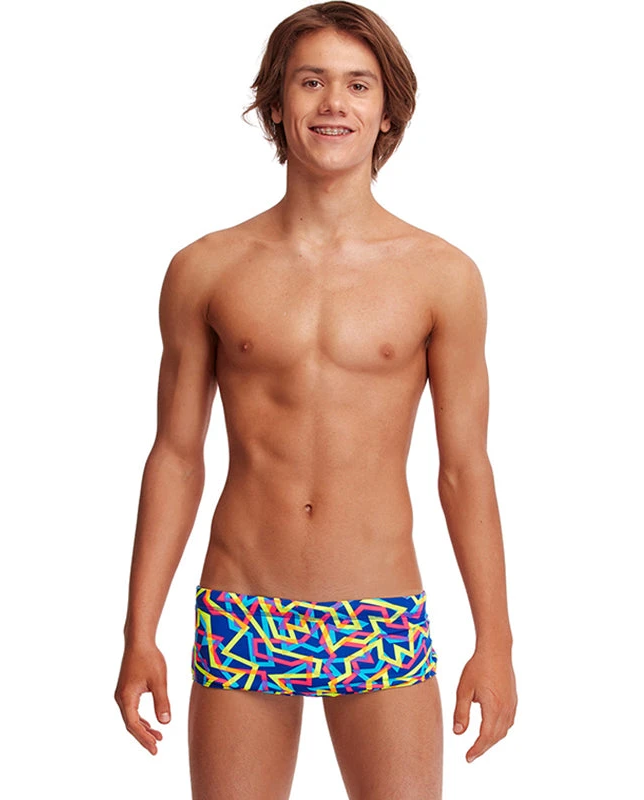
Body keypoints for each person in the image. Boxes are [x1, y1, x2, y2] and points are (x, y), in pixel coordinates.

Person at [114, 2, 517, 797]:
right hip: (244, 604)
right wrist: (139, 630)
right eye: (311, 82)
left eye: (358, 84)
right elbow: (176, 457)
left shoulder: (442, 276)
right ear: (276, 104)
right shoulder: (207, 268)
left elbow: (464, 469)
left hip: (380, 610)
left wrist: (495, 641)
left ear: (388, 111)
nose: (335, 103)